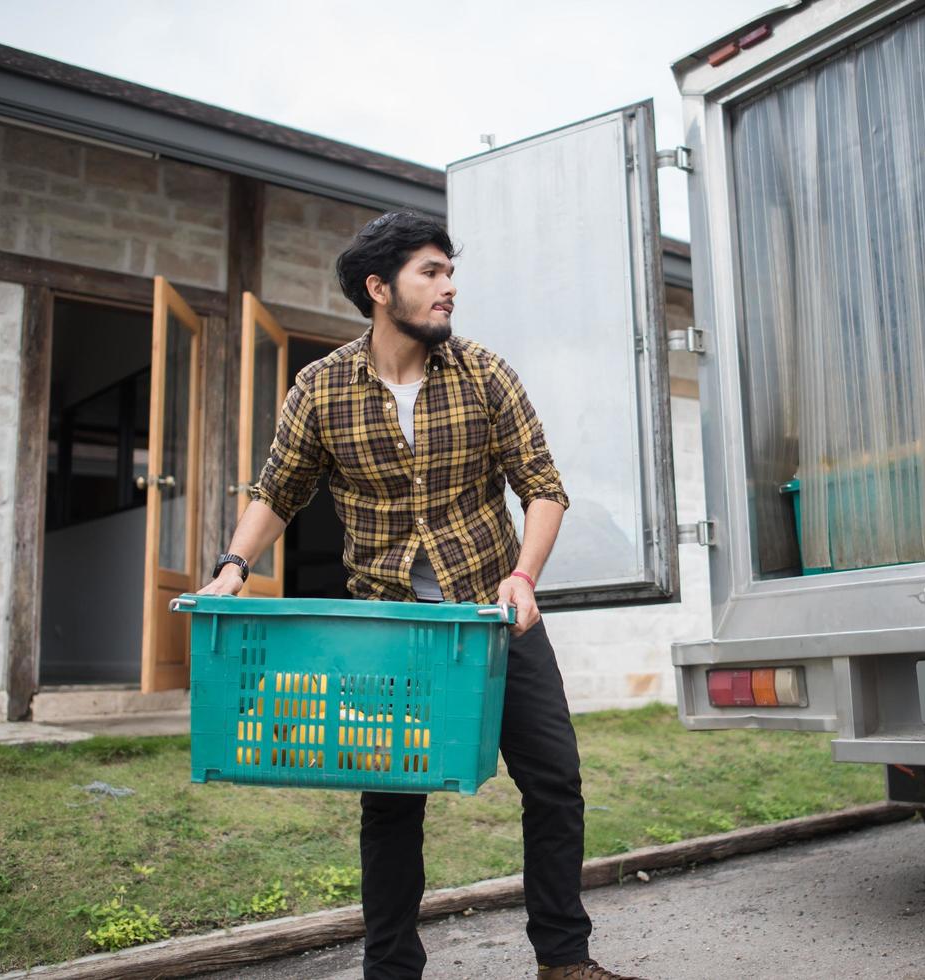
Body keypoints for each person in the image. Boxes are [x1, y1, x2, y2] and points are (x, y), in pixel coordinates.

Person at [197, 211, 644, 980]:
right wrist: (232, 565)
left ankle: (563, 962)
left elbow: (542, 488)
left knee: (554, 781)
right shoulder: (321, 387)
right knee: (393, 806)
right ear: (379, 289)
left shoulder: (485, 374)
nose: (448, 287)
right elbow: (279, 492)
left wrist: (522, 577)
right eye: (430, 273)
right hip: (391, 629)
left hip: (494, 618)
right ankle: (393, 971)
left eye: (449, 272)